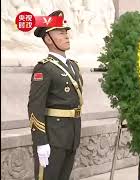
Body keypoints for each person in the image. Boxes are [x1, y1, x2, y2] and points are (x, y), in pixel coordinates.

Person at [28, 10, 83, 180]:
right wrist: (41, 141)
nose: (66, 36)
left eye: (66, 32)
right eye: (60, 32)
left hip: (71, 134)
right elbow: (35, 107)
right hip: (53, 137)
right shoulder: (44, 68)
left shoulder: (73, 66)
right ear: (48, 39)